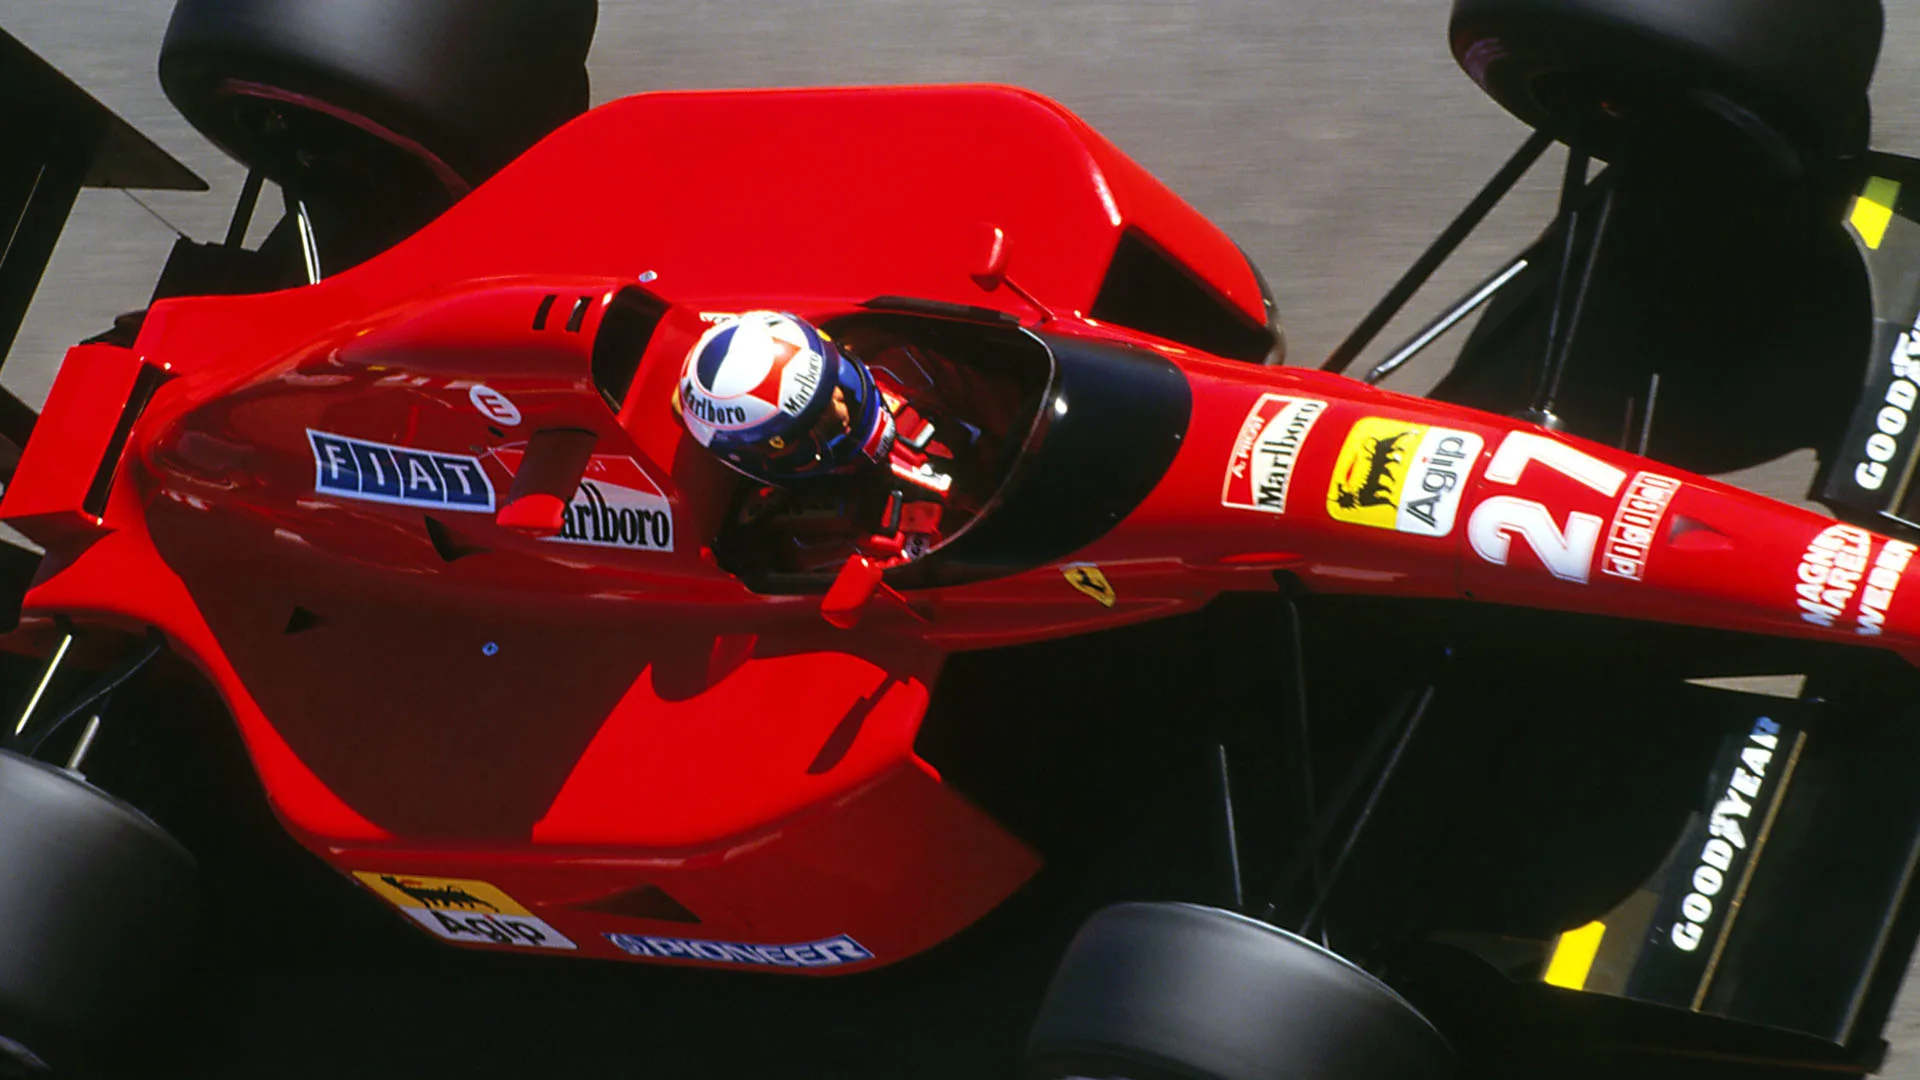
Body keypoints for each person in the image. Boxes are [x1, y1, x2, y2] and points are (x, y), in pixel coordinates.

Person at [675, 310, 974, 571]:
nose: (841, 409)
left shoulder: (902, 369)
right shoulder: (808, 543)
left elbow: (1007, 403)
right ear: (767, 454)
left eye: (832, 385)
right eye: (814, 421)